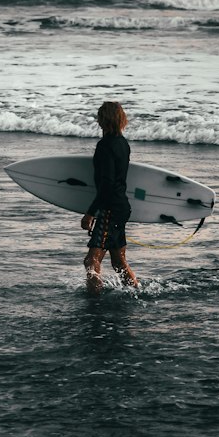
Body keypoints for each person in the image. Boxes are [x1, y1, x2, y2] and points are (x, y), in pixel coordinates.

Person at [80, 100, 139, 293]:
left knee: (91, 260)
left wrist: (90, 213)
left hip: (110, 209)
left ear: (103, 121)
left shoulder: (105, 146)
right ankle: (135, 292)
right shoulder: (123, 144)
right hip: (121, 207)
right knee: (118, 261)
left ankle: (94, 302)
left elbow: (106, 185)